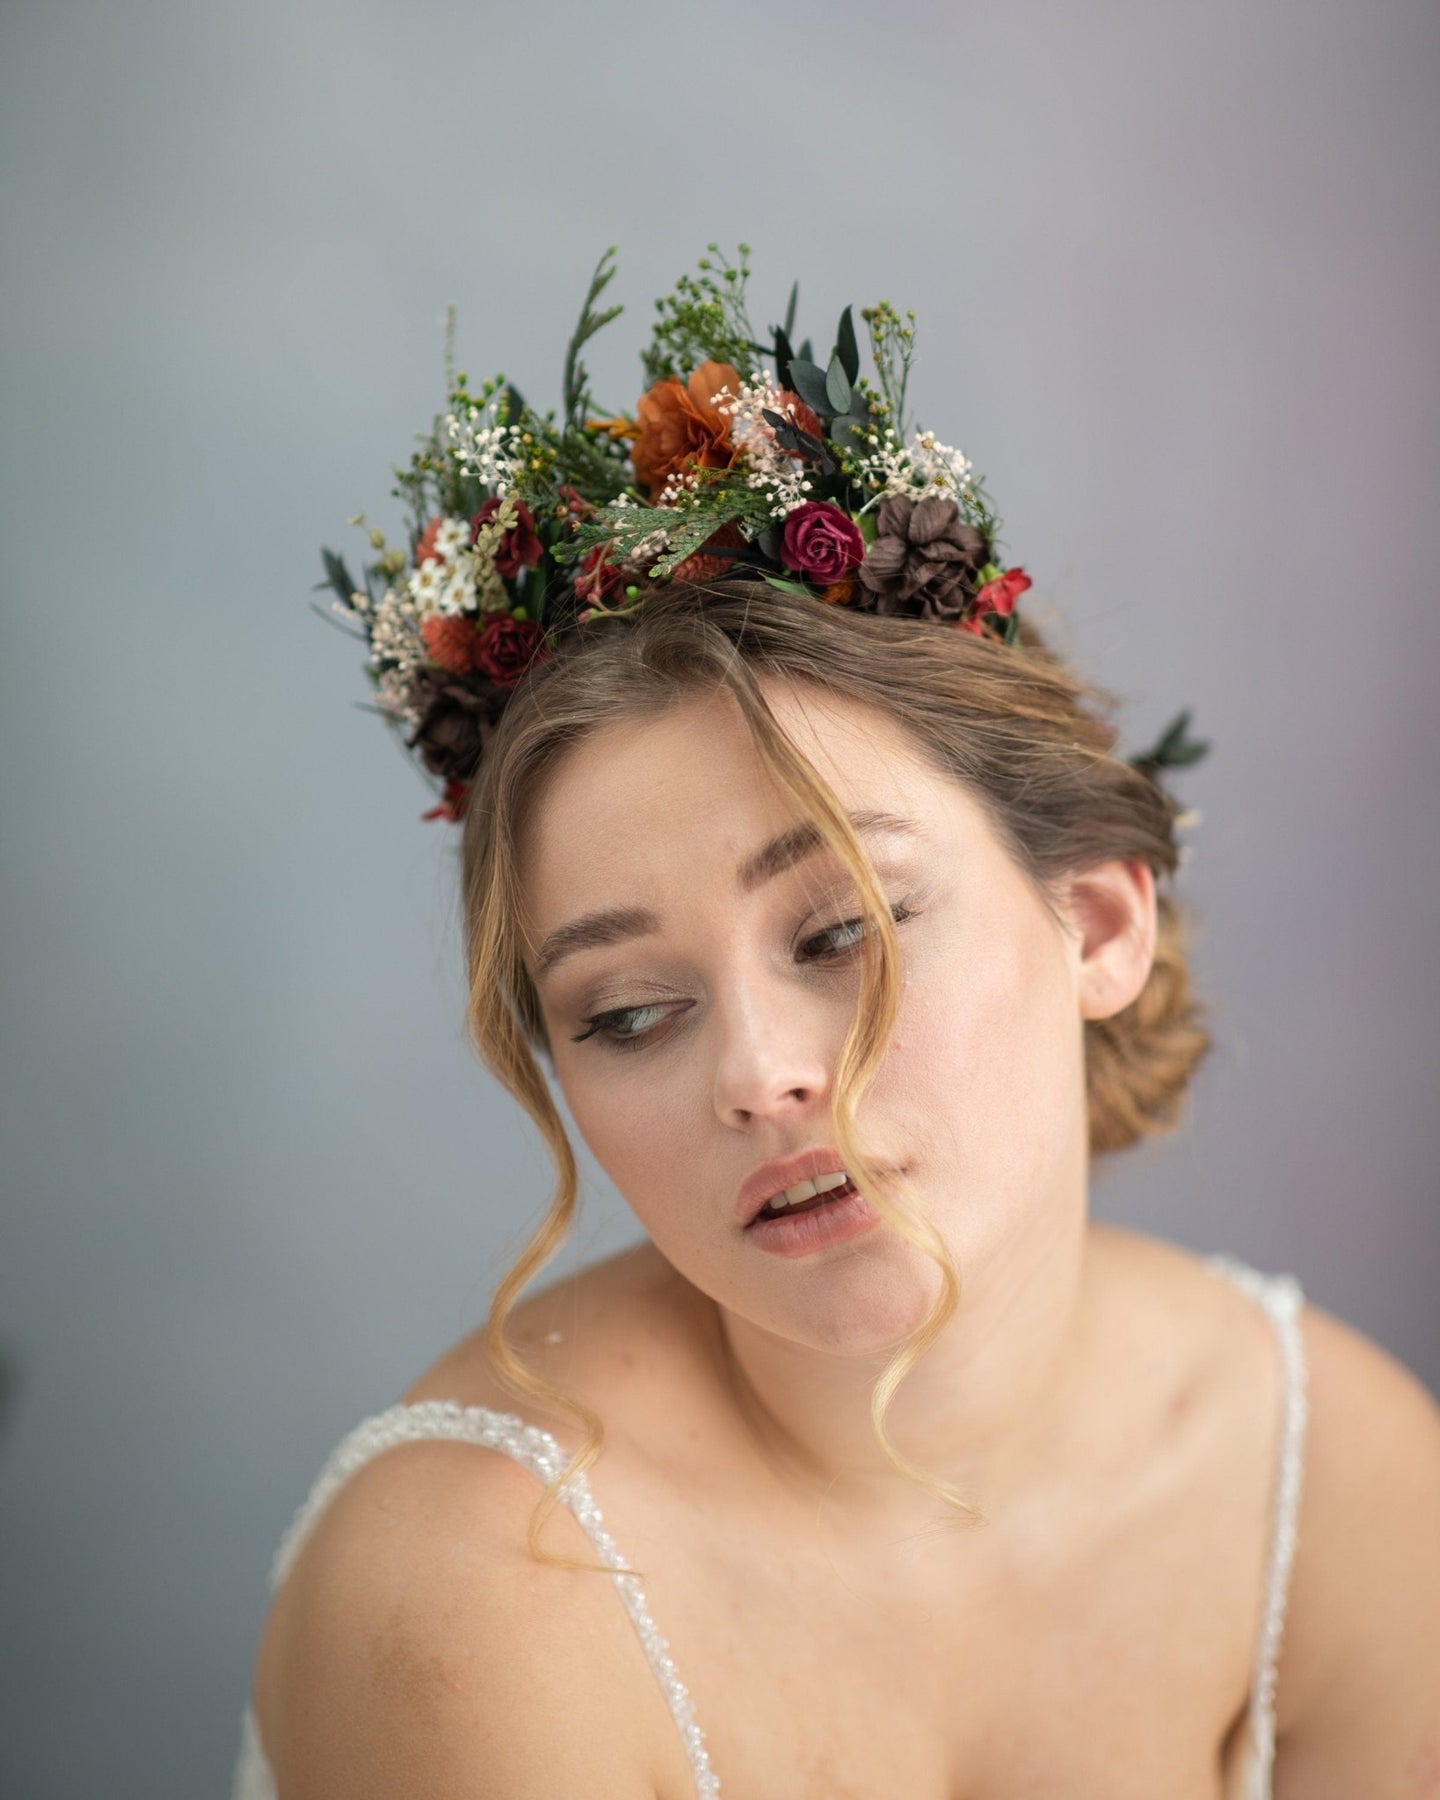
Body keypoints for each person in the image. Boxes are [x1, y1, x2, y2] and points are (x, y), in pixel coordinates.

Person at [234, 251, 1440, 1797]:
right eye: (631, 1013)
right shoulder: (476, 1600)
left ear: (1095, 924)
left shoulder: (1340, 1489)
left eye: (842, 932)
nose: (758, 1076)